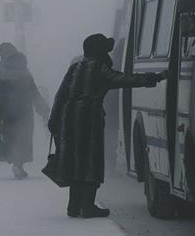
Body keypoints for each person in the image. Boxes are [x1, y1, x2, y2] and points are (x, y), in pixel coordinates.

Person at [47, 34, 166, 218]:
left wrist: (54, 120)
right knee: (90, 161)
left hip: (68, 117)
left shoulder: (75, 67)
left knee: (74, 160)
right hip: (89, 118)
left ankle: (73, 206)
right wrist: (156, 78)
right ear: (99, 51)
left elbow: (60, 95)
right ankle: (87, 207)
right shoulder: (99, 69)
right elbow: (126, 79)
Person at [0, 53, 49, 179]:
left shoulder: (4, 78)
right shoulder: (26, 76)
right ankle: (19, 165)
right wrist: (43, 109)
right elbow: (35, 94)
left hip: (8, 115)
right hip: (25, 113)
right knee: (23, 140)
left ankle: (17, 165)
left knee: (12, 140)